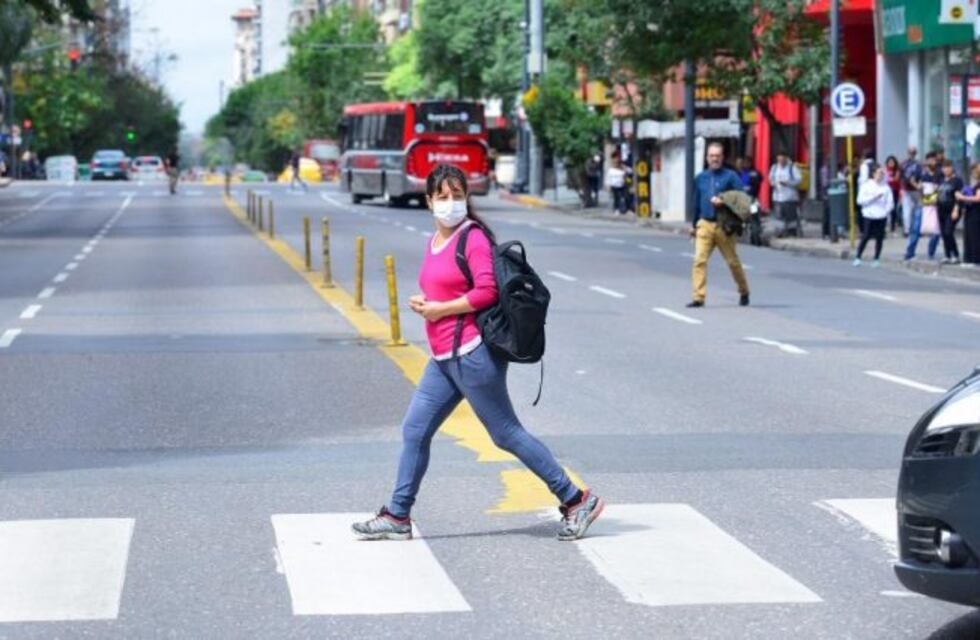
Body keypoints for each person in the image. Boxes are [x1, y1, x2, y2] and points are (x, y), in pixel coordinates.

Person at [352, 163, 604, 542]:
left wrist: (440, 309)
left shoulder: (473, 237)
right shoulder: (435, 240)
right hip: (443, 357)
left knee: (505, 433)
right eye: (443, 197)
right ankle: (398, 515)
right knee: (415, 430)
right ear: (429, 201)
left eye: (457, 196)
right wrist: (429, 301)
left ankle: (576, 498)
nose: (451, 203)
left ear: (467, 198)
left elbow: (486, 291)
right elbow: (447, 286)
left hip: (472, 354)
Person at [688, 142, 750, 308]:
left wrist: (723, 200)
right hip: (704, 224)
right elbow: (696, 203)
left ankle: (744, 291)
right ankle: (698, 297)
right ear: (707, 157)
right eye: (712, 155)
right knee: (699, 260)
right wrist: (694, 225)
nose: (714, 158)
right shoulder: (700, 178)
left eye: (717, 155)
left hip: (724, 226)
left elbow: (742, 198)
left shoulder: (730, 177)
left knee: (732, 262)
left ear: (722, 157)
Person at [853, 164, 894, 267]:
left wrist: (886, 211)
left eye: (882, 173)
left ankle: (876, 258)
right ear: (873, 174)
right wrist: (873, 198)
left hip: (881, 216)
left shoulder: (886, 187)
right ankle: (858, 256)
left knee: (879, 238)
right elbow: (860, 201)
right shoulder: (866, 186)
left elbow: (890, 202)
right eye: (879, 173)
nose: (881, 175)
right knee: (866, 236)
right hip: (869, 215)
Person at [904, 151, 942, 261]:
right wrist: (917, 186)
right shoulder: (921, 171)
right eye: (929, 160)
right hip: (922, 203)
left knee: (935, 230)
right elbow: (913, 181)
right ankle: (910, 252)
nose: (932, 162)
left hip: (934, 205)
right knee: (916, 228)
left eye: (934, 160)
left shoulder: (939, 173)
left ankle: (931, 252)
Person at [931, 160, 963, 264]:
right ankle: (947, 254)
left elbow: (959, 196)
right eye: (944, 168)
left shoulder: (957, 180)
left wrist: (956, 209)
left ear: (952, 168)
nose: (946, 170)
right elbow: (936, 193)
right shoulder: (941, 180)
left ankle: (955, 254)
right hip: (941, 210)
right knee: (944, 233)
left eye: (948, 167)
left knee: (949, 232)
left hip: (952, 209)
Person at [768, 151, 802, 237]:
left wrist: (787, 183)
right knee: (779, 216)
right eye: (779, 159)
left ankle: (792, 232)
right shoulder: (774, 167)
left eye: (782, 159)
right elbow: (770, 179)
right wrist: (774, 183)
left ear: (786, 158)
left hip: (790, 197)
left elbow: (799, 180)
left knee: (791, 217)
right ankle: (780, 232)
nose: (781, 161)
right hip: (777, 197)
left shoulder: (792, 167)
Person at [956, 163, 980, 265]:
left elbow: (978, 198)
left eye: (975, 170)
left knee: (975, 236)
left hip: (976, 213)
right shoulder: (974, 183)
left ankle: (975, 259)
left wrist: (962, 197)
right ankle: (968, 258)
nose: (973, 173)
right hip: (970, 211)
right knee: (968, 235)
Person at [900, 146, 922, 235]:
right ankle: (913, 229)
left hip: (910, 189)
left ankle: (908, 230)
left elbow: (902, 177)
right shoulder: (918, 164)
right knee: (915, 210)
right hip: (913, 189)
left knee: (908, 210)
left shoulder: (903, 163)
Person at [884, 155, 902, 233]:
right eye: (889, 162)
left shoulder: (897, 170)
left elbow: (896, 179)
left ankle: (892, 226)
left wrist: (889, 179)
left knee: (893, 208)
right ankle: (886, 224)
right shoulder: (884, 170)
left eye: (892, 162)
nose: (891, 163)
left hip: (894, 190)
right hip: (886, 191)